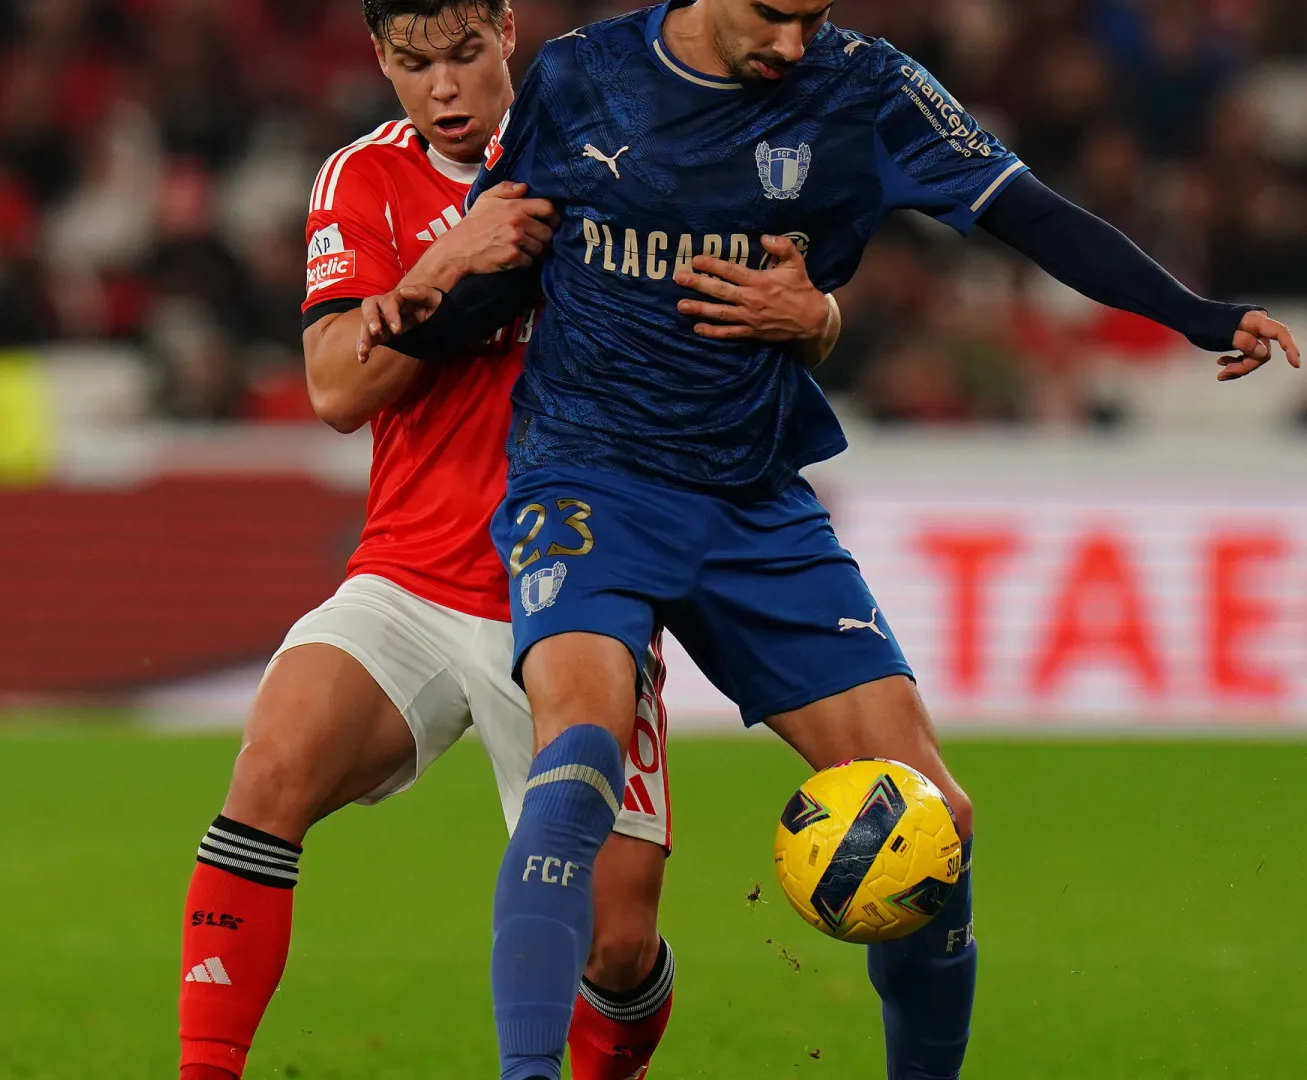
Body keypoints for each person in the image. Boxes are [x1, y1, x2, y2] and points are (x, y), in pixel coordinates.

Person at [360, 1, 1301, 1078]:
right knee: (578, 754)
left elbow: (1029, 214)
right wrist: (409, 306)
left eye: (812, 16)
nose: (794, 44)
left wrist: (1197, 314)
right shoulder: (582, 76)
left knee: (936, 820)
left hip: (753, 498)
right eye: (775, 16)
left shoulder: (867, 87)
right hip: (589, 479)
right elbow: (505, 262)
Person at [174, 2, 843, 1078]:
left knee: (616, 948)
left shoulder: (607, 150)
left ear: (506, 33)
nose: (442, 88)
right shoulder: (363, 178)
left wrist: (816, 321)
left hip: (581, 596)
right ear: (379, 59)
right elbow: (337, 387)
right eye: (412, 64)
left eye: (463, 55)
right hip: (409, 578)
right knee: (268, 772)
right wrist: (456, 255)